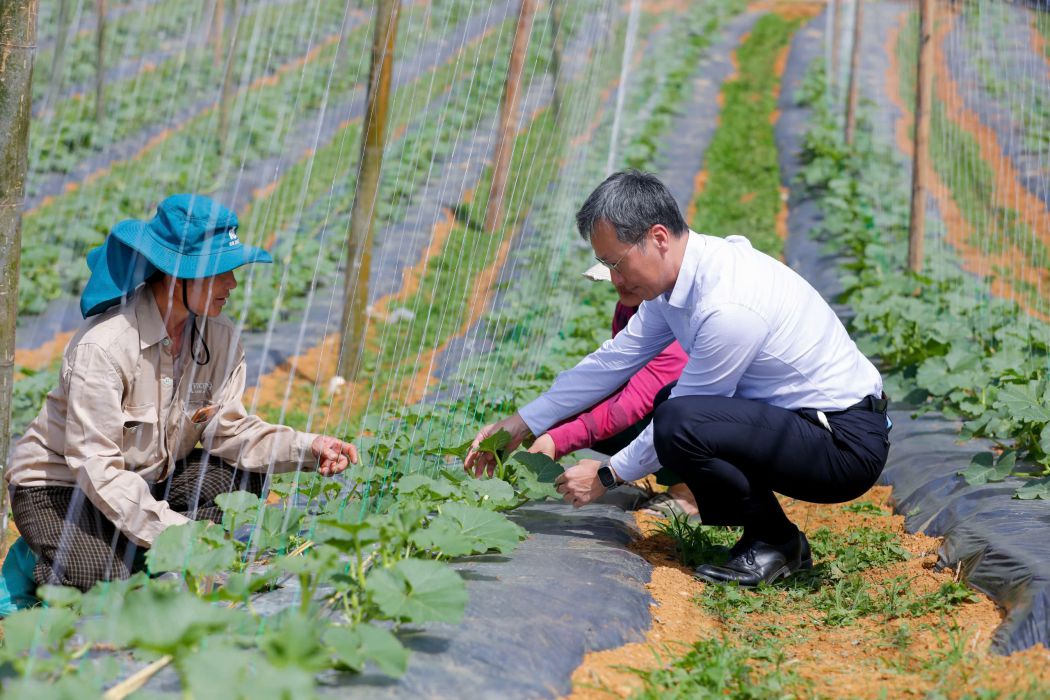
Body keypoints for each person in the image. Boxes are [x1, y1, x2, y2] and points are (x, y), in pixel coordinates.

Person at [466, 170, 890, 586]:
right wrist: (522, 423)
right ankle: (768, 536)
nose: (614, 279)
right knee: (674, 409)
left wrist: (607, 476)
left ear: (658, 238)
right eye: (604, 264)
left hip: (842, 444)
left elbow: (686, 414)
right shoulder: (679, 283)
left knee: (678, 419)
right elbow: (614, 360)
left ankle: (774, 541)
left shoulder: (729, 305)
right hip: (801, 424)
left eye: (617, 263)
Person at [5, 194, 358, 593]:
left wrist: (309, 447)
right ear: (176, 276)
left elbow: (229, 431)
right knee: (108, 586)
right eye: (219, 272)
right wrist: (179, 534)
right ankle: (47, 558)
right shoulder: (104, 347)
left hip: (143, 478)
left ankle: (132, 540)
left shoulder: (218, 337)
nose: (232, 284)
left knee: (240, 477)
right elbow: (97, 468)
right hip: (61, 486)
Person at [526, 263, 696, 518]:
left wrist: (558, 440)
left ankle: (690, 492)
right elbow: (613, 376)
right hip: (652, 403)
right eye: (613, 272)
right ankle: (640, 467)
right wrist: (534, 424)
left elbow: (635, 399)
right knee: (572, 413)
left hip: (706, 418)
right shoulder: (628, 308)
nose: (620, 282)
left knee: (666, 407)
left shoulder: (678, 316)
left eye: (628, 273)